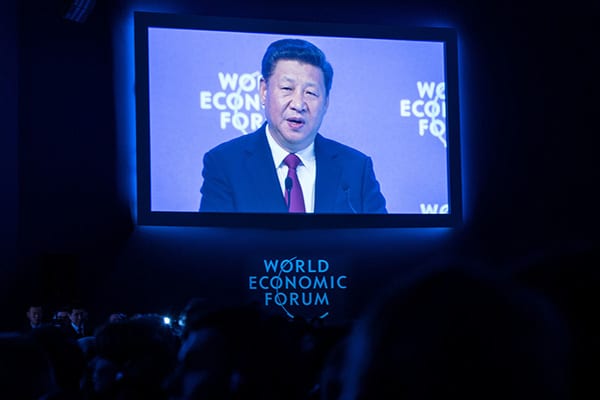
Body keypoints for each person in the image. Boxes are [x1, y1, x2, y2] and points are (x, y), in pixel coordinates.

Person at [199, 38, 387, 214]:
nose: (298, 104)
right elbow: (216, 246)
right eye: (287, 89)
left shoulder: (355, 169)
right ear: (264, 91)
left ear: (326, 103)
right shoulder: (224, 164)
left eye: (311, 93)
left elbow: (383, 243)